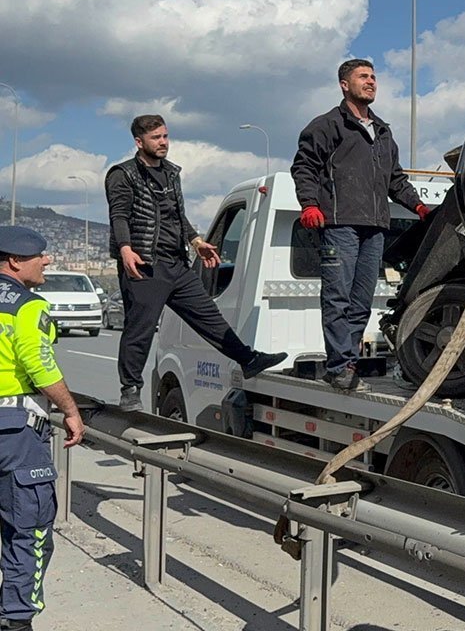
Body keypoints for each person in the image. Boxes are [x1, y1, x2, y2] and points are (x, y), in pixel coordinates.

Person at [106, 115, 286, 412]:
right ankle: (130, 390)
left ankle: (248, 359)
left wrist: (196, 242)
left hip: (176, 263)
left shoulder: (171, 173)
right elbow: (119, 215)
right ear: (139, 142)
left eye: (165, 136)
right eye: (156, 138)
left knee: (208, 315)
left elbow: (178, 216)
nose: (163, 142)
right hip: (145, 264)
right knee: (140, 329)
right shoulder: (123, 174)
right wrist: (125, 248)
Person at [291, 59, 429, 393]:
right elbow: (304, 167)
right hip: (340, 224)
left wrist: (418, 205)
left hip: (375, 226)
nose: (370, 82)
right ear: (344, 84)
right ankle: (339, 366)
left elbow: (395, 179)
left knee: (361, 300)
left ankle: (347, 363)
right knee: (337, 296)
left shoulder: (382, 131)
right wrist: (309, 204)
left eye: (373, 77)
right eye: (363, 77)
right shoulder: (326, 126)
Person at [0, 226, 85, 630]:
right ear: (16, 262)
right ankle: (16, 621)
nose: (47, 260)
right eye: (40, 255)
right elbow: (38, 363)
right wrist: (70, 410)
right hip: (14, 434)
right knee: (27, 530)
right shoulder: (27, 305)